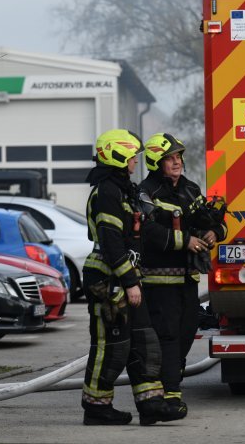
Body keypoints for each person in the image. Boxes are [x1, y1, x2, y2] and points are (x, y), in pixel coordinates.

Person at [80, 128, 187, 426]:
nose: (136, 162)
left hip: (125, 275)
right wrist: (129, 282)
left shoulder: (122, 188)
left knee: (144, 342)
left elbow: (148, 214)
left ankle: (151, 403)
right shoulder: (107, 193)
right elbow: (112, 241)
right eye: (132, 157)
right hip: (108, 280)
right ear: (119, 155)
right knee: (111, 346)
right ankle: (97, 407)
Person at [139, 132, 227, 411]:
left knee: (187, 331)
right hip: (159, 279)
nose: (176, 162)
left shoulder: (190, 189)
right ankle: (171, 392)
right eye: (170, 158)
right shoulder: (145, 193)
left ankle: (172, 381)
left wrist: (215, 232)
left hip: (187, 278)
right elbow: (148, 232)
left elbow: (211, 222)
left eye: (178, 157)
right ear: (156, 162)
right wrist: (185, 241)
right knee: (168, 335)